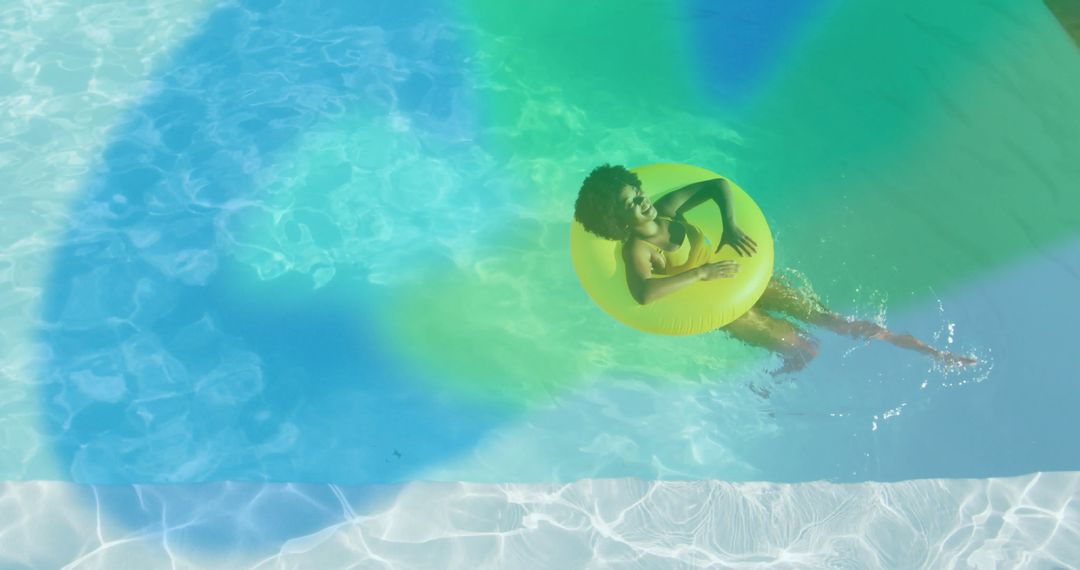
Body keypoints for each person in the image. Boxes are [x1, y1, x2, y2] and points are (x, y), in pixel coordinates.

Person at [573, 164, 976, 375]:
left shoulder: (667, 208)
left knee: (829, 319)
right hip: (726, 309)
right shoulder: (639, 250)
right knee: (807, 350)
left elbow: (717, 186)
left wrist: (729, 226)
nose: (641, 202)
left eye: (637, 192)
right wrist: (701, 275)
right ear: (618, 219)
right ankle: (778, 375)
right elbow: (643, 294)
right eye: (630, 204)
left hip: (743, 279)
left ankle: (930, 352)